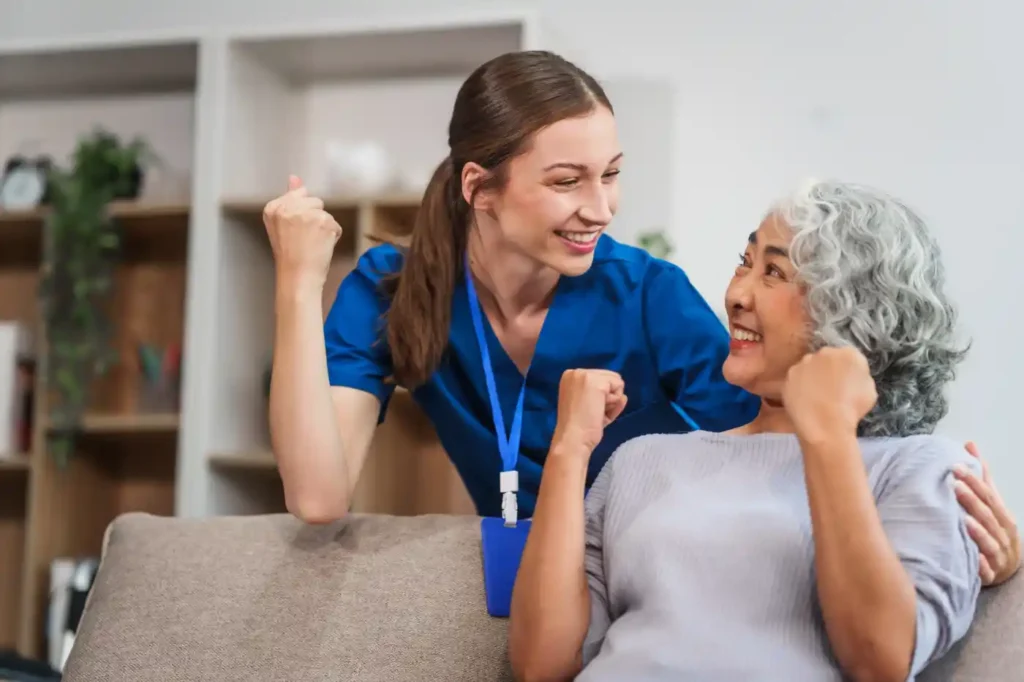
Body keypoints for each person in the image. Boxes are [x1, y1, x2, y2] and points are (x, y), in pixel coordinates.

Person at [261, 50, 1020, 584]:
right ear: (479, 187)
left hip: (656, 564)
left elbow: (797, 436)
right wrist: (298, 279)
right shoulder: (391, 288)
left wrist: (953, 534)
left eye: (612, 175)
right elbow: (320, 498)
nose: (601, 209)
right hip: (538, 584)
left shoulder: (645, 291)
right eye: (567, 181)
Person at [508, 180, 1000, 682]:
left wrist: (827, 433)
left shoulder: (921, 468)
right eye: (745, 262)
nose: (736, 295)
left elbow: (882, 659)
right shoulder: (641, 459)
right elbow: (540, 666)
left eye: (774, 272)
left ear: (852, 309)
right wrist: (570, 448)